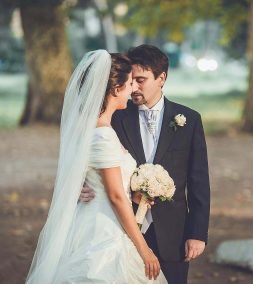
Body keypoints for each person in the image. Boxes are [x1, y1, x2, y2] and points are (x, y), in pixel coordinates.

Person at [26, 50, 167, 283]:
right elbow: (114, 196)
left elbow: (103, 182)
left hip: (92, 220)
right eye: (130, 83)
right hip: (103, 232)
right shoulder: (103, 135)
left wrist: (133, 194)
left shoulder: (93, 128)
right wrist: (144, 249)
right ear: (115, 89)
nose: (133, 89)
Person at [80, 44, 211, 284]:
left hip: (173, 233)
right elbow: (92, 159)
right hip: (122, 229)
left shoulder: (189, 120)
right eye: (131, 80)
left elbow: (199, 181)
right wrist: (83, 183)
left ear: (161, 78)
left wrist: (197, 233)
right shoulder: (114, 116)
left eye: (141, 80)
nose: (134, 88)